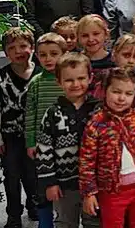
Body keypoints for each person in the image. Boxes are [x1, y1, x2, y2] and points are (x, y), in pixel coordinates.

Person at [79, 67, 135, 228]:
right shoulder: (96, 123)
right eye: (116, 92)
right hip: (110, 192)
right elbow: (87, 162)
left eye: (128, 94)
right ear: (104, 91)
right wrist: (89, 192)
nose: (122, 98)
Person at [35, 53, 100, 228]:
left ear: (90, 78)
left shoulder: (99, 110)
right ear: (59, 82)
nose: (76, 84)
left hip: (94, 184)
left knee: (94, 222)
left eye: (81, 78)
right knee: (65, 222)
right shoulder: (52, 114)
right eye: (69, 80)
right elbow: (44, 150)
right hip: (64, 184)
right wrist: (49, 182)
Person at [0, 28, 41, 227]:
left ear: (33, 48)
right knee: (11, 175)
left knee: (32, 174)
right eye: (12, 47)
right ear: (5, 53)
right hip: (9, 136)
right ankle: (13, 214)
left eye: (23, 46)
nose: (19, 51)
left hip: (34, 135)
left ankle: (34, 205)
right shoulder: (0, 77)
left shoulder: (40, 74)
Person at [24, 33, 68, 228]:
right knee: (43, 185)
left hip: (66, 142)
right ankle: (45, 222)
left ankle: (65, 219)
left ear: (64, 54)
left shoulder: (68, 81)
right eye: (42, 55)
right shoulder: (36, 83)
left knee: (65, 185)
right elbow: (30, 115)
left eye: (53, 54)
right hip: (42, 144)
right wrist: (30, 142)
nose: (48, 59)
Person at [77, 15, 113, 82]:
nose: (91, 39)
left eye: (96, 34)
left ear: (106, 35)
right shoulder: (75, 61)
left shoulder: (115, 60)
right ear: (78, 38)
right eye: (85, 35)